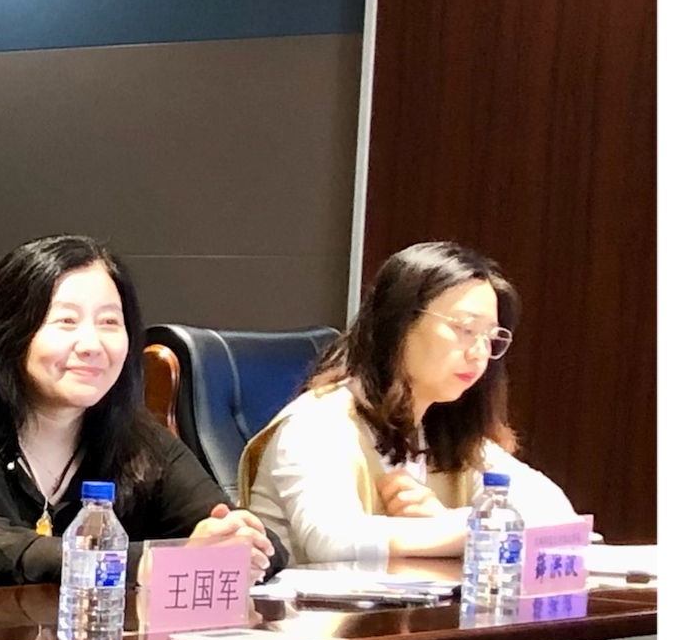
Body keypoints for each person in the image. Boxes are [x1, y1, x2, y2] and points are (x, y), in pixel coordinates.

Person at [0, 236, 272, 593]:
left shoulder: (141, 443)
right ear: (9, 334)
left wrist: (240, 544)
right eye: (66, 321)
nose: (92, 344)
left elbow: (262, 546)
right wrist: (158, 563)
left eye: (109, 323)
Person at [242, 240, 574, 567]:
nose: (479, 353)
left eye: (490, 337)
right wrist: (469, 529)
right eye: (465, 329)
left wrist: (443, 521)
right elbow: (333, 540)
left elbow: (558, 519)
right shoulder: (319, 423)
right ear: (399, 324)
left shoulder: (444, 431)